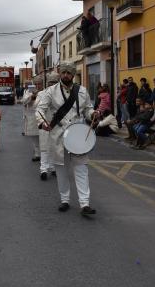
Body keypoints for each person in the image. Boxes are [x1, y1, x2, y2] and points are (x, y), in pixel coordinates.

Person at [36, 61, 99, 216]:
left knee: (81, 169)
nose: (65, 75)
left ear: (73, 74)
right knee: (61, 169)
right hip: (58, 135)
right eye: (63, 72)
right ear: (60, 74)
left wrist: (93, 114)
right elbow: (40, 110)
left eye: (68, 73)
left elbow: (88, 109)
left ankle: (85, 204)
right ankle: (65, 200)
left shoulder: (82, 91)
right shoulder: (50, 91)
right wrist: (43, 123)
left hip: (77, 135)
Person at [37, 72, 59, 180]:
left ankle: (53, 167)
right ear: (47, 83)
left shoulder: (61, 94)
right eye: (50, 82)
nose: (52, 84)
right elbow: (38, 107)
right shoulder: (41, 94)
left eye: (54, 82)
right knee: (44, 147)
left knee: (54, 147)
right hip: (45, 123)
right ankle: (43, 169)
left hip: (57, 125)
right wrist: (41, 122)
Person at [22, 77, 43, 161]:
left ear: (42, 84)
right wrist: (32, 96)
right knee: (34, 137)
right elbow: (24, 102)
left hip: (43, 117)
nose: (37, 85)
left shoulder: (45, 92)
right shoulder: (28, 92)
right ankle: (37, 154)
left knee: (43, 137)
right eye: (36, 84)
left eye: (39, 84)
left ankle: (43, 155)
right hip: (32, 117)